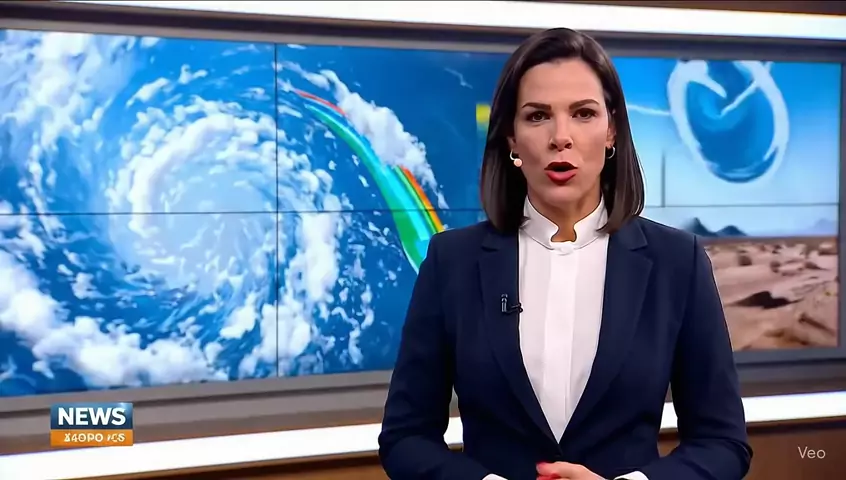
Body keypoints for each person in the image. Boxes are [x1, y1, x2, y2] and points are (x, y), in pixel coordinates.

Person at [378, 27, 752, 480]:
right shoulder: (451, 262)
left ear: (612, 130)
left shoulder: (678, 262)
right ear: (511, 138)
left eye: (583, 113)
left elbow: (722, 444)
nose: (561, 136)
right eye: (537, 116)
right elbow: (406, 438)